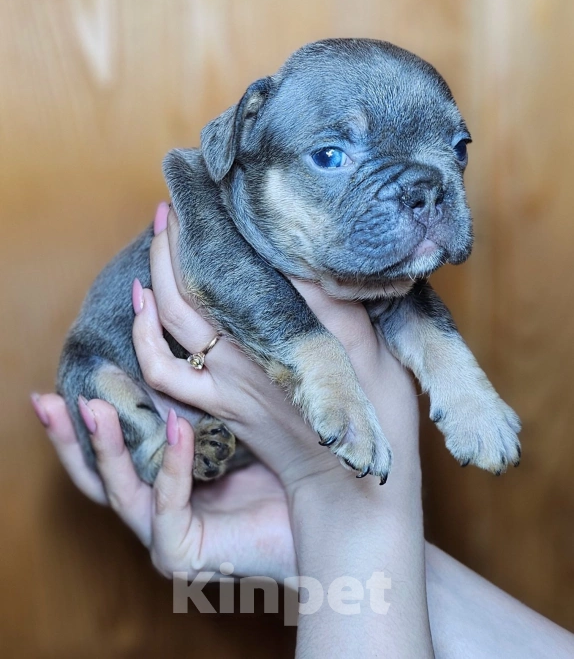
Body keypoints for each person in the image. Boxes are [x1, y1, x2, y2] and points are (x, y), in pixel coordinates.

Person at [32, 203, 574, 657]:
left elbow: (404, 309)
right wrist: (326, 517)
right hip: (138, 378)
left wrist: (329, 499)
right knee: (95, 379)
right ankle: (157, 448)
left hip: (253, 451)